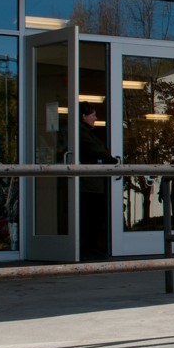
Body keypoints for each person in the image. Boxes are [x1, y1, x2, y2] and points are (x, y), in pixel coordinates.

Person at [78, 102, 117, 260]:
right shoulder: (81, 132)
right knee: (90, 217)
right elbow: (95, 148)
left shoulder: (86, 132)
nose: (95, 118)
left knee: (93, 217)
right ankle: (88, 249)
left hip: (91, 182)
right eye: (93, 115)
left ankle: (91, 248)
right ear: (84, 116)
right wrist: (109, 159)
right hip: (88, 183)